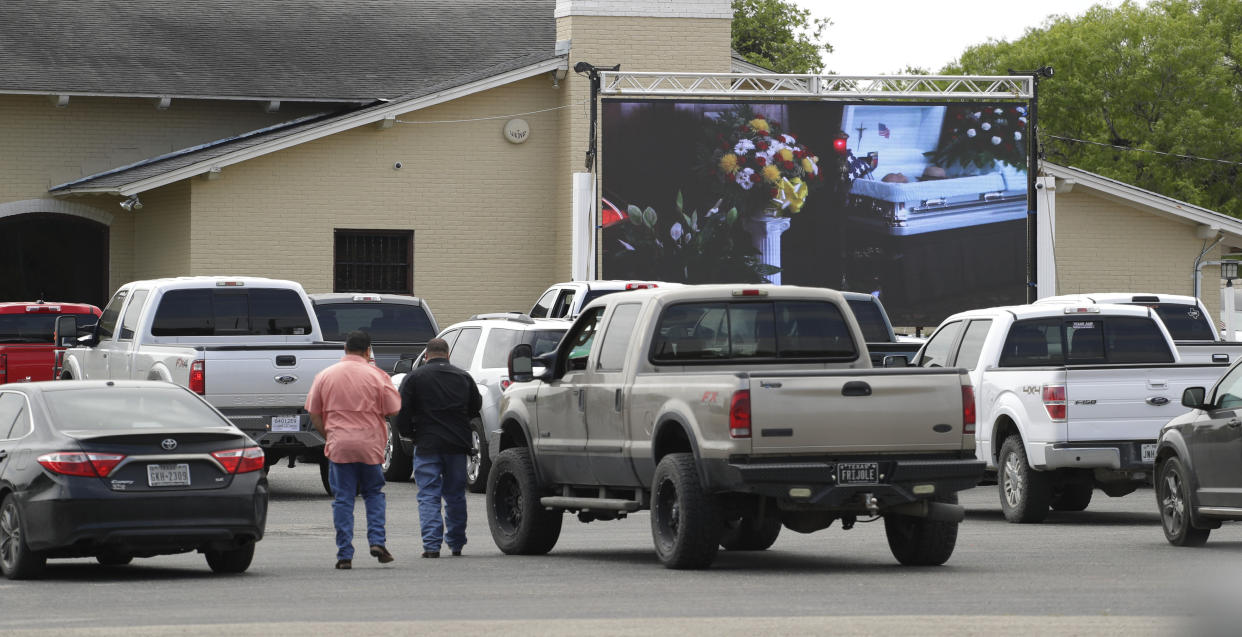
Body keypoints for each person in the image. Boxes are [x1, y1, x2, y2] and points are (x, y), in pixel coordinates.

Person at [306, 330, 402, 570]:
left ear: (345, 349)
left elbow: (313, 412)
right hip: (370, 445)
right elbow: (393, 409)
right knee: (373, 494)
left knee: (343, 499)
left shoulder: (325, 376)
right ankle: (377, 541)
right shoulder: (378, 376)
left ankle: (344, 553)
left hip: (339, 446)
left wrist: (329, 435)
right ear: (367, 351)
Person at [397, 337, 482, 558]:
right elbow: (476, 407)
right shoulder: (463, 377)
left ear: (426, 356)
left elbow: (402, 412)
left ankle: (432, 546)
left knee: (428, 495)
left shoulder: (414, 378)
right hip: (456, 445)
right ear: (448, 355)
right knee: (455, 495)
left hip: (427, 444)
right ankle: (456, 544)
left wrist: (409, 434)